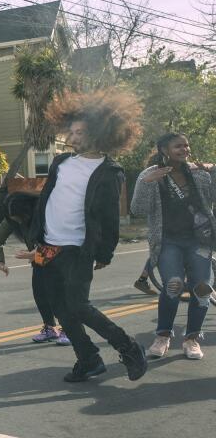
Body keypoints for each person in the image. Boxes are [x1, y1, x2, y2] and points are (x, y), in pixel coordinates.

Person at [21, 88, 148, 383]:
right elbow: (47, 200)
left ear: (101, 133)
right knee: (59, 308)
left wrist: (105, 252)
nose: (72, 137)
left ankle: (128, 347)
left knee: (78, 305)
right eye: (71, 131)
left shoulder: (109, 171)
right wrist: (35, 238)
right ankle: (89, 360)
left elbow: (108, 217)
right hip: (48, 246)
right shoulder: (61, 163)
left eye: (79, 132)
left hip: (78, 249)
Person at [131, 132, 215, 361]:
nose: (185, 149)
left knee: (202, 290)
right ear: (165, 150)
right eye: (179, 146)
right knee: (173, 286)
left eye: (186, 145)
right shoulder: (150, 175)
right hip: (168, 241)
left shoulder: (199, 173)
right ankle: (163, 336)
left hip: (200, 240)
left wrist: (212, 169)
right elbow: (137, 209)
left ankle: (192, 339)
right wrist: (148, 182)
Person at [0, 192, 67, 345]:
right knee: (40, 294)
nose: (17, 221)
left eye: (19, 217)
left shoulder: (46, 214)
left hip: (61, 260)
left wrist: (34, 255)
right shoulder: (12, 218)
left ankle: (69, 329)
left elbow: (59, 245)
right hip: (38, 260)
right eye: (13, 218)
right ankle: (50, 328)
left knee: (60, 296)